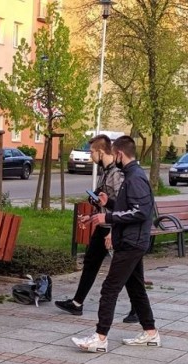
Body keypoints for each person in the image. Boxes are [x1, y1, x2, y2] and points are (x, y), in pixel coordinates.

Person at [71, 135, 159, 353]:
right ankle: (151, 333)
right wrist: (106, 203)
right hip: (132, 240)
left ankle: (100, 338)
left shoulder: (134, 178)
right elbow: (127, 207)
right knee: (136, 288)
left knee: (109, 288)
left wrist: (108, 218)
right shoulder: (131, 175)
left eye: (115, 154)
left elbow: (141, 211)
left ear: (119, 154)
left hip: (132, 242)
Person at [55, 134, 139, 323]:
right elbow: (106, 201)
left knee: (130, 270)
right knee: (92, 261)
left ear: (101, 151)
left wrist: (111, 231)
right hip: (103, 224)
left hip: (114, 226)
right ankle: (77, 303)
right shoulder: (106, 170)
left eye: (91, 151)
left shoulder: (116, 174)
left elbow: (122, 205)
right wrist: (91, 215)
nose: (90, 155)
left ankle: (137, 309)